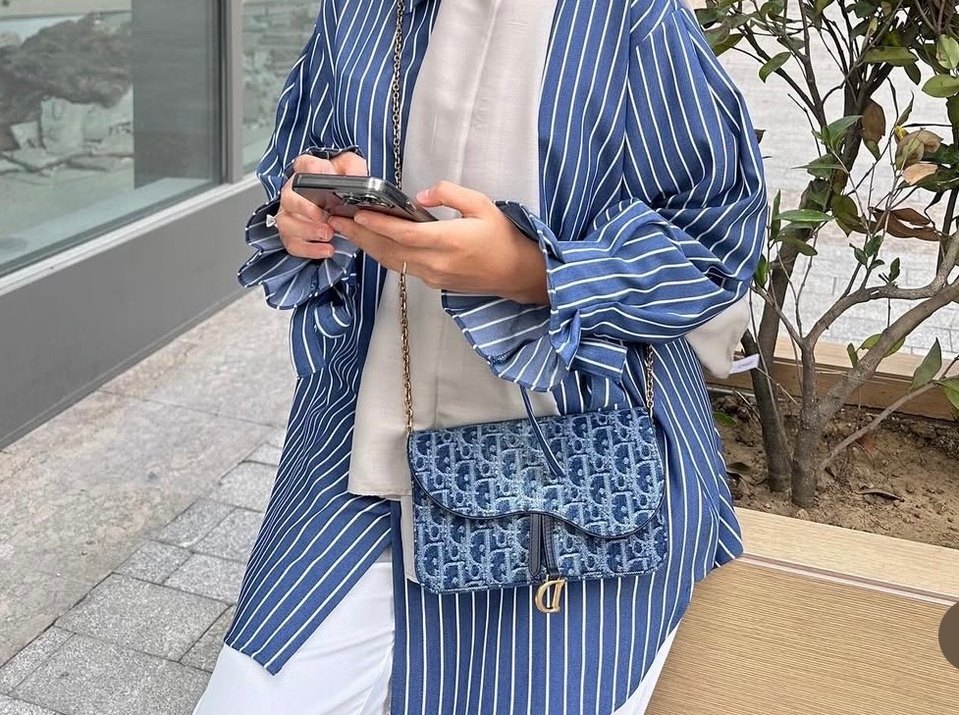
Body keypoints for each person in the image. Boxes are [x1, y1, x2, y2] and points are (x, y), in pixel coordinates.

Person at [193, 0, 767, 713]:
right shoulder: (359, 11)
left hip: (582, 467)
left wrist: (529, 271)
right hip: (362, 450)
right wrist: (305, 208)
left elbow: (716, 242)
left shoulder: (630, 18)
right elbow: (302, 158)